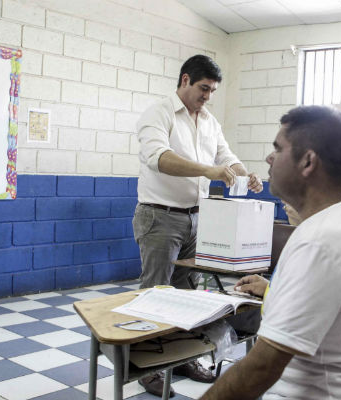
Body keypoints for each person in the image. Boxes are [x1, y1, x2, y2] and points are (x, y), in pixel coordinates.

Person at [200, 106, 341, 400]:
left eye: (278, 149)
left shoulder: (323, 241)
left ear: (308, 161)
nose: (269, 158)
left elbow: (260, 369)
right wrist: (277, 289)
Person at [133, 54, 263, 397]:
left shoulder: (208, 121)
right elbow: (157, 158)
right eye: (204, 88)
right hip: (160, 215)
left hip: (197, 217)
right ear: (185, 80)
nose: (207, 96)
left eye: (213, 91)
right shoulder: (158, 114)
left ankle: (182, 357)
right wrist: (207, 171)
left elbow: (225, 156)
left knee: (187, 295)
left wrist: (244, 171)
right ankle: (147, 366)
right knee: (154, 293)